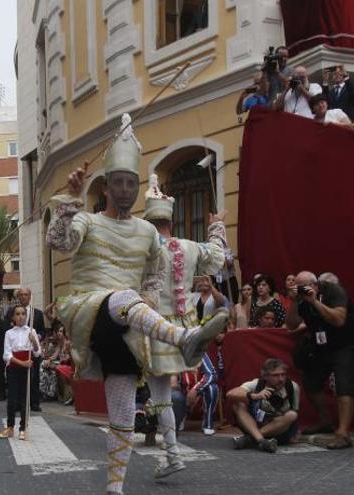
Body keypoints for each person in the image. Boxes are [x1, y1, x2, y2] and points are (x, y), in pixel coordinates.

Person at [45, 114, 228, 494]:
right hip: (88, 310)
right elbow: (58, 242)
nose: (126, 190)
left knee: (124, 410)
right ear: (107, 187)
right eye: (119, 183)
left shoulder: (147, 233)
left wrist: (148, 298)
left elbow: (152, 277)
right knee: (121, 297)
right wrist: (68, 200)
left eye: (132, 183)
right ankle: (184, 338)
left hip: (126, 326)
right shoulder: (87, 221)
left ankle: (114, 488)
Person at [141, 174, 227, 476]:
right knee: (161, 393)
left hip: (152, 328)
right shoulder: (189, 246)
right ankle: (171, 453)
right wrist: (216, 226)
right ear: (170, 221)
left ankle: (173, 454)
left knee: (159, 393)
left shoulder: (144, 250)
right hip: (183, 323)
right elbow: (217, 257)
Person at [286, 271, 354, 449]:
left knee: (344, 386)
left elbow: (339, 320)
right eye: (298, 286)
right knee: (311, 382)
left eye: (305, 286)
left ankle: (343, 433)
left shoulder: (334, 291)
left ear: (316, 284)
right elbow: (292, 324)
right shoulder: (300, 299)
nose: (303, 290)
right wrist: (294, 302)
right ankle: (325, 421)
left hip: (345, 344)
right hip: (321, 345)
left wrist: (314, 301)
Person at [227, 358, 300, 453]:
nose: (281, 379)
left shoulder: (292, 387)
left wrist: (295, 431)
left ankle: (250, 439)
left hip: (278, 430)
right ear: (265, 376)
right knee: (238, 405)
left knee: (292, 415)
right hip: (255, 424)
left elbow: (295, 411)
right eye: (275, 375)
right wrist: (254, 396)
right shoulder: (257, 384)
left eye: (283, 374)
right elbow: (230, 394)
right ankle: (262, 441)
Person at [0, 306, 41, 441]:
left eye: (23, 314)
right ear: (13, 317)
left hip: (27, 369)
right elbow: (7, 355)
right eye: (18, 314)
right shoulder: (9, 333)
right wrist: (22, 363)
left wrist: (34, 342)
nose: (21, 316)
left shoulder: (32, 331)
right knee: (12, 398)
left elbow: (37, 352)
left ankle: (23, 428)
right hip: (14, 368)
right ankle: (10, 427)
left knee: (25, 399)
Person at [6, 288, 46, 411]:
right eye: (21, 295)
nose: (23, 297)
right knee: (19, 380)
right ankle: (19, 403)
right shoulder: (11, 312)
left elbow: (43, 331)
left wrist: (36, 338)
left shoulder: (38, 313)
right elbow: (8, 327)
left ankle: (34, 402)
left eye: (26, 294)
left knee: (33, 378)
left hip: (32, 350)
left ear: (30, 296)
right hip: (18, 352)